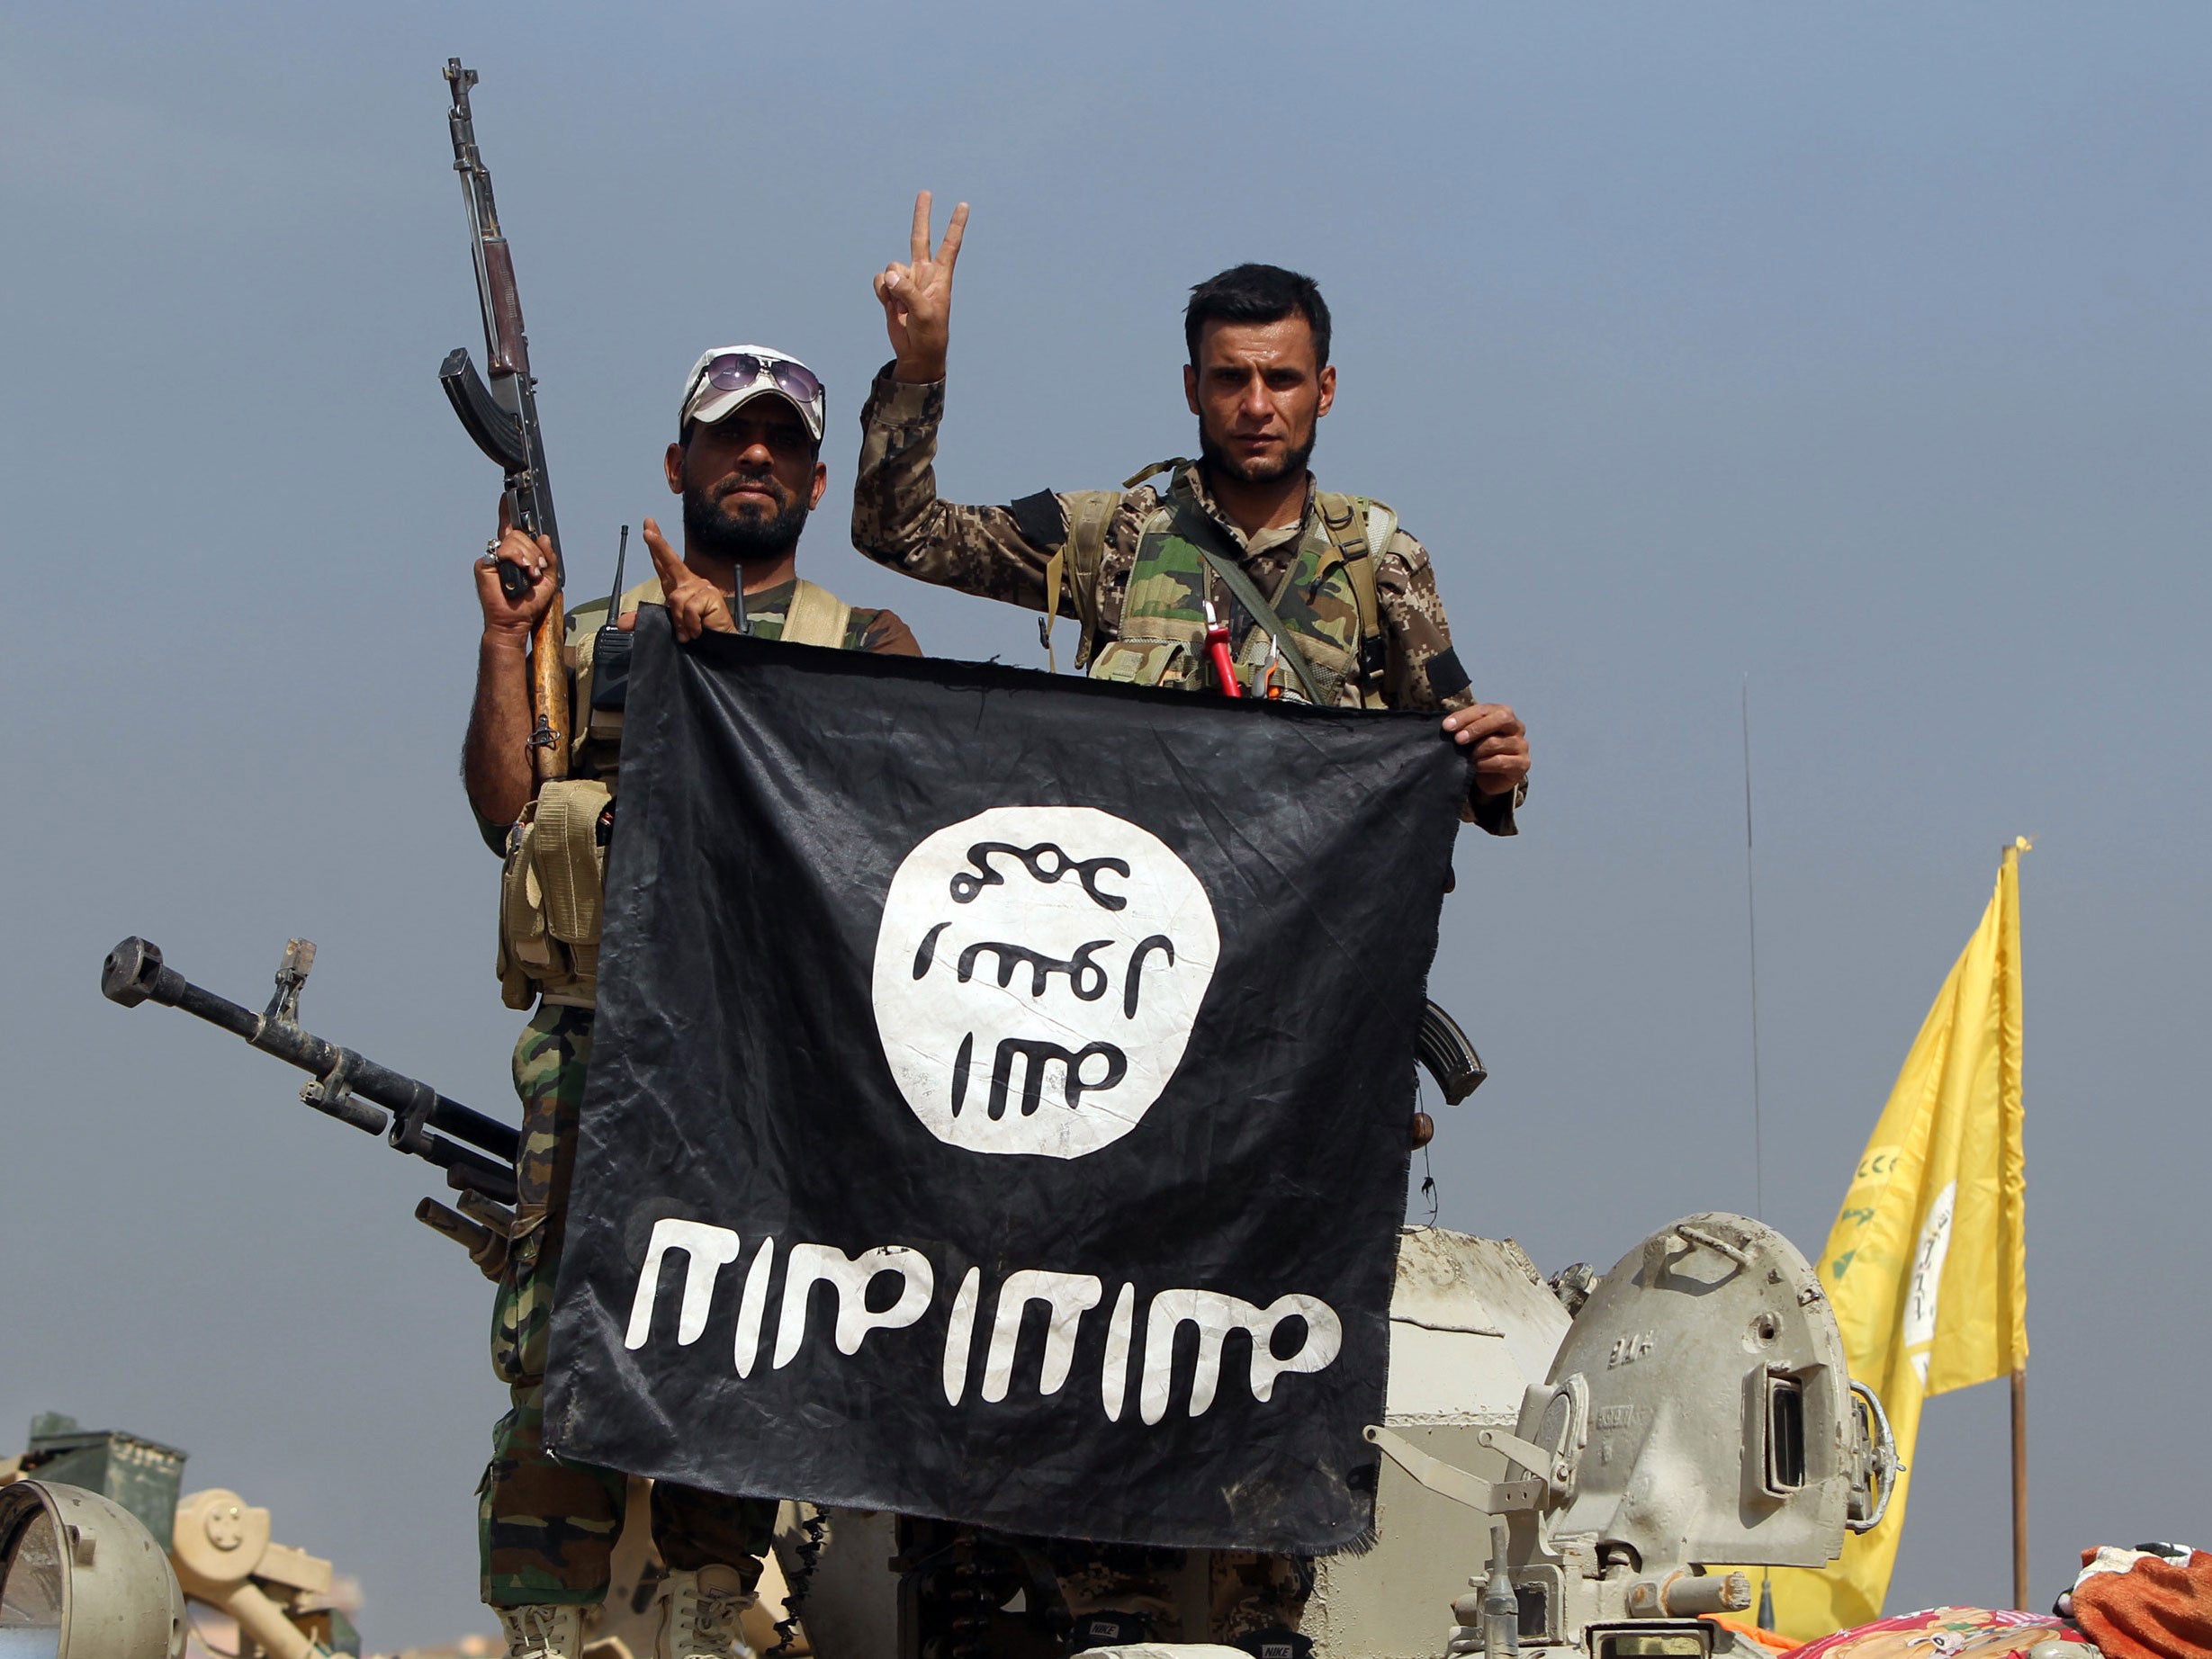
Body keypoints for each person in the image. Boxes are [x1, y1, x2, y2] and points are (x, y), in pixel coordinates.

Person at [850, 196, 1532, 1654]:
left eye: (1282, 377)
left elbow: (1448, 759)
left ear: (1325, 389)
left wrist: (1494, 763)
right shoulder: (1116, 538)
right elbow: (898, 531)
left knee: (1281, 1330)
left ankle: (1265, 1605)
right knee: (1111, 1321)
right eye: (1230, 377)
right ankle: (1103, 1609)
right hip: (1128, 1036)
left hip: (1301, 1055)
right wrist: (921, 367)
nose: (1257, 402)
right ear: (1191, 388)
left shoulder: (1376, 563)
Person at [462, 344, 921, 1659]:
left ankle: (718, 1614)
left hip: (766, 1068)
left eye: (780, 444)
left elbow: (886, 828)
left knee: (744, 1345)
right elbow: (505, 807)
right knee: (556, 1349)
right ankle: (548, 1631)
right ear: (682, 466)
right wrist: (511, 643)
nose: (754, 461)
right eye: (730, 441)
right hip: (597, 1048)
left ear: (819, 482)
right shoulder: (596, 634)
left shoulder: (865, 643)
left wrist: (729, 687)